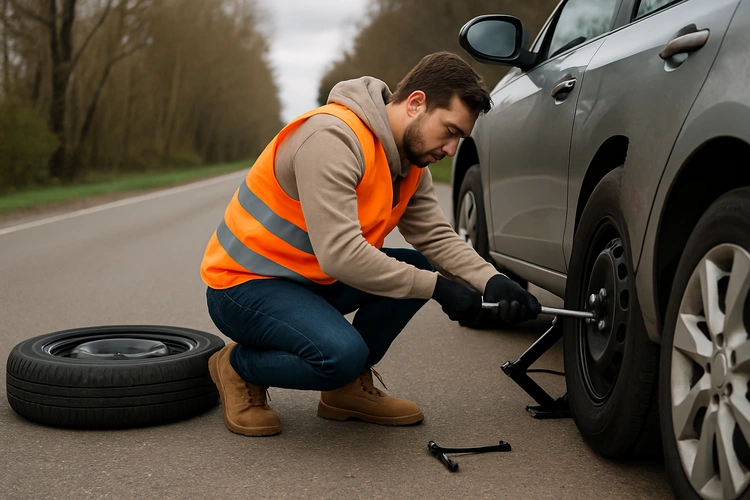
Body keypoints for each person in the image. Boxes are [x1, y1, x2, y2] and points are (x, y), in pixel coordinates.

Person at [199, 51, 541, 437]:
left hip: (311, 282)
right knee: (342, 352)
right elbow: (341, 254)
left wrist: (491, 280)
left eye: (460, 138)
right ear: (416, 103)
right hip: (244, 286)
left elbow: (436, 236)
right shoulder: (331, 138)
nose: (450, 150)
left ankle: (344, 390)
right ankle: (238, 367)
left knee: (418, 266)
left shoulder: (409, 162)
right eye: (449, 131)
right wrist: (438, 289)